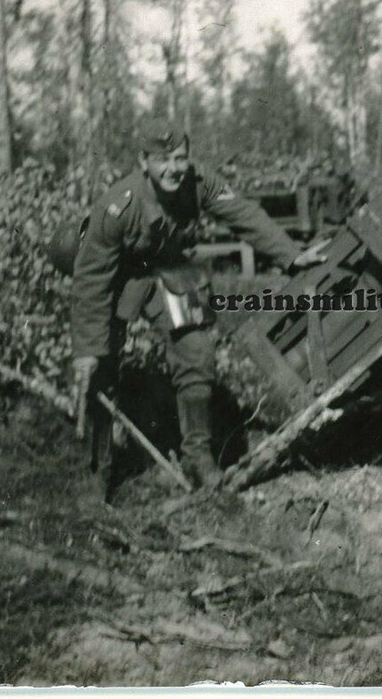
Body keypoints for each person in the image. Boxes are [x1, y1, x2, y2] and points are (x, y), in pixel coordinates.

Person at [53, 120, 324, 493]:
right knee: (101, 365)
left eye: (180, 158)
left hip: (169, 272)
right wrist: (85, 349)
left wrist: (291, 255)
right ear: (143, 162)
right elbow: (91, 281)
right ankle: (99, 465)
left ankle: (198, 456)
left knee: (197, 350)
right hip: (118, 278)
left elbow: (244, 214)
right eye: (162, 161)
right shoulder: (117, 206)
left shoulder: (200, 183)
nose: (173, 169)